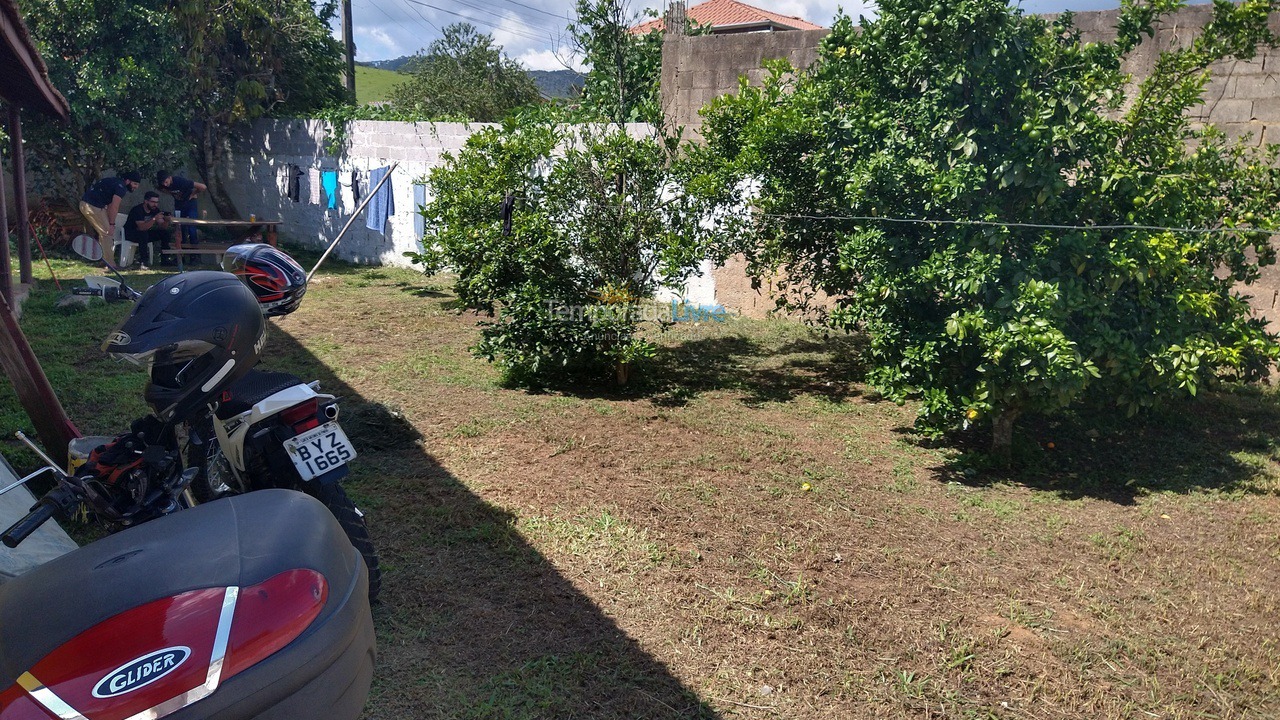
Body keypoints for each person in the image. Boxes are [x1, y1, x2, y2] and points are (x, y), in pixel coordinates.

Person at [79, 171, 141, 266]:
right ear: (128, 181)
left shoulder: (115, 182)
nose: (136, 187)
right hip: (92, 206)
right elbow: (114, 206)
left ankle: (104, 261)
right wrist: (112, 224)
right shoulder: (121, 187)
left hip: (88, 205)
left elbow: (109, 205)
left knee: (104, 234)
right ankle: (110, 264)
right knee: (107, 233)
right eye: (135, 184)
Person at [155, 170, 207, 251]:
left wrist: (193, 194)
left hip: (190, 204)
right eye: (163, 183)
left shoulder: (180, 182)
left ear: (170, 178)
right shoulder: (163, 186)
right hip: (179, 206)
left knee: (191, 227)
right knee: (180, 228)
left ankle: (195, 254)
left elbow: (203, 187)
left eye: (166, 182)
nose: (165, 184)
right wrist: (171, 193)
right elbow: (160, 188)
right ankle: (182, 252)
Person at [123, 191, 173, 266]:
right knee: (143, 234)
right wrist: (154, 219)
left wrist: (166, 220)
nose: (155, 204)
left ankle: (165, 260)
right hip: (130, 233)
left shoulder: (155, 210)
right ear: (146, 201)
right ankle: (143, 261)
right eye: (153, 202)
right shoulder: (137, 210)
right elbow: (141, 227)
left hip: (144, 233)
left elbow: (163, 227)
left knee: (165, 233)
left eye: (157, 202)